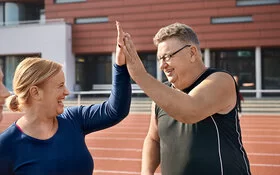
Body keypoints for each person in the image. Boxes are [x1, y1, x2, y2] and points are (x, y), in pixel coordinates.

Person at [117, 22, 251, 175]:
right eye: (159, 59)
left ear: (192, 53)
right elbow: (154, 139)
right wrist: (146, 172)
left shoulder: (221, 80)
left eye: (167, 56)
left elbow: (190, 110)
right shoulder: (162, 93)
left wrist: (139, 75)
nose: (162, 65)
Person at [0, 22, 131, 175]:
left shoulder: (74, 119)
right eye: (60, 85)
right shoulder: (6, 146)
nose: (67, 92)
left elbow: (115, 110)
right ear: (35, 92)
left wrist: (120, 65)